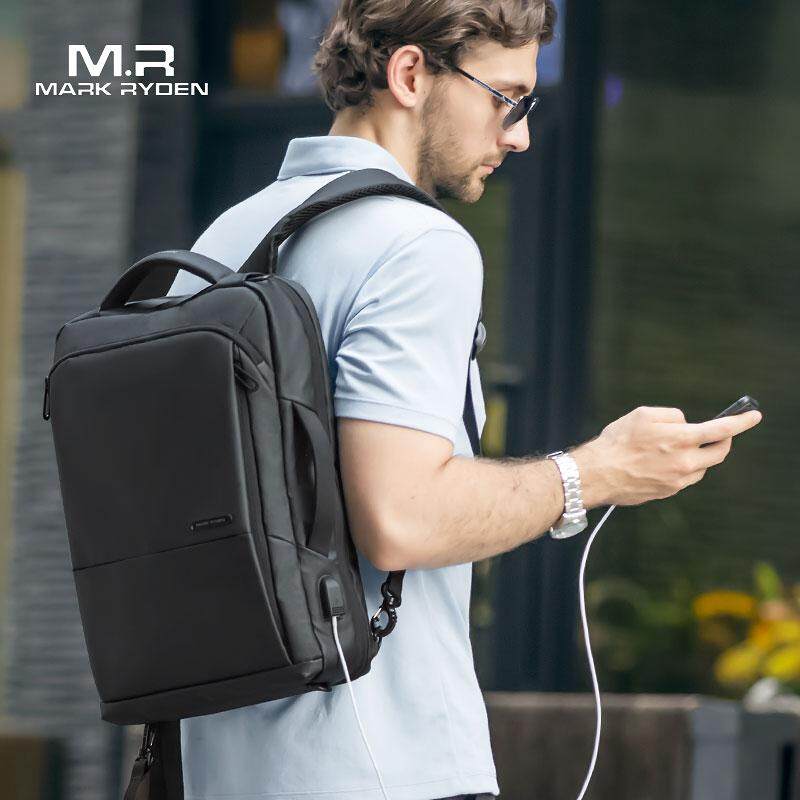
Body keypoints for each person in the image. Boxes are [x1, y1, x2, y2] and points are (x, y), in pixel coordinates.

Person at [166, 1, 762, 798]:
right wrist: (596, 472)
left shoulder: (223, 242)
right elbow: (402, 517)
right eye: (507, 98)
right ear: (411, 74)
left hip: (220, 770)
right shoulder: (416, 244)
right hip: (384, 767)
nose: (520, 136)